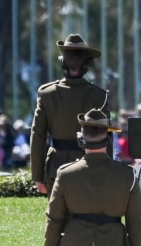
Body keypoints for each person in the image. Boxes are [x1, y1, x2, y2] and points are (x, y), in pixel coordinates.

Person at [43, 108, 141, 246]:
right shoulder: (127, 175)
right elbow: (136, 223)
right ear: (108, 138)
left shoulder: (65, 173)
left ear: (82, 139)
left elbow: (54, 220)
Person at [31, 34, 109, 195]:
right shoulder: (99, 95)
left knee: (56, 217)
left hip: (56, 168)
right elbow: (106, 137)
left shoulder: (47, 93)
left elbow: (38, 135)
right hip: (89, 167)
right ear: (88, 65)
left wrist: (38, 176)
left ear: (62, 63)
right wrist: (107, 170)